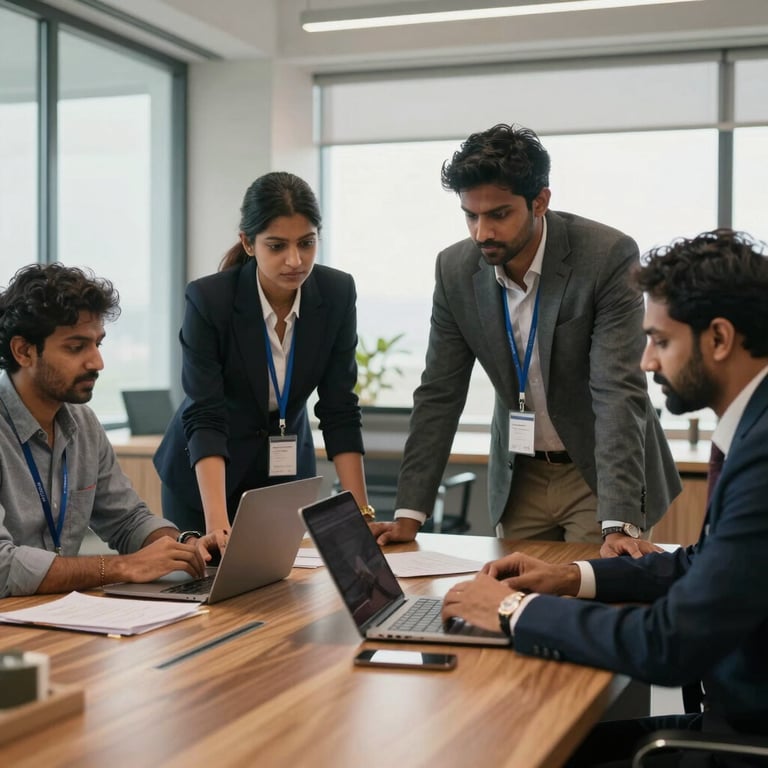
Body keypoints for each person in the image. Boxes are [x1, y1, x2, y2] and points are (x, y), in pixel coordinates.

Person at [441, 229, 768, 766]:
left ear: (719, 339)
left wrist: (511, 609)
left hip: (738, 744)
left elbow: (666, 644)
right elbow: (707, 564)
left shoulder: (761, 455)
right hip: (729, 722)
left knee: (514, 750)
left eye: (661, 341)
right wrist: (573, 577)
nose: (646, 362)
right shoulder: (753, 428)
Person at [371, 123, 680, 555]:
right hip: (520, 476)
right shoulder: (455, 270)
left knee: (589, 603)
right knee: (519, 606)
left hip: (596, 473)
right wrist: (410, 512)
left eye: (498, 214)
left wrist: (619, 521)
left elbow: (617, 391)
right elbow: (439, 392)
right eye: (470, 215)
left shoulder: (605, 256)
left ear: (540, 202)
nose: (482, 233)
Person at [154, 172, 372, 547]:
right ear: (248, 243)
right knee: (210, 589)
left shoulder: (336, 294)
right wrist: (217, 525)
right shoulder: (210, 300)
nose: (295, 260)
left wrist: (362, 515)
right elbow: (205, 414)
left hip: (284, 479)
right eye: (277, 246)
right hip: (204, 480)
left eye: (307, 243)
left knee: (282, 593)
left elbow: (340, 408)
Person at [0, 263, 216, 598]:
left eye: (98, 344)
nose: (97, 362)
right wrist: (121, 567)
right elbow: (2, 568)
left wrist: (181, 547)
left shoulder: (83, 424)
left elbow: (128, 520)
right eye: (76, 347)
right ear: (23, 351)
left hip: (60, 616)